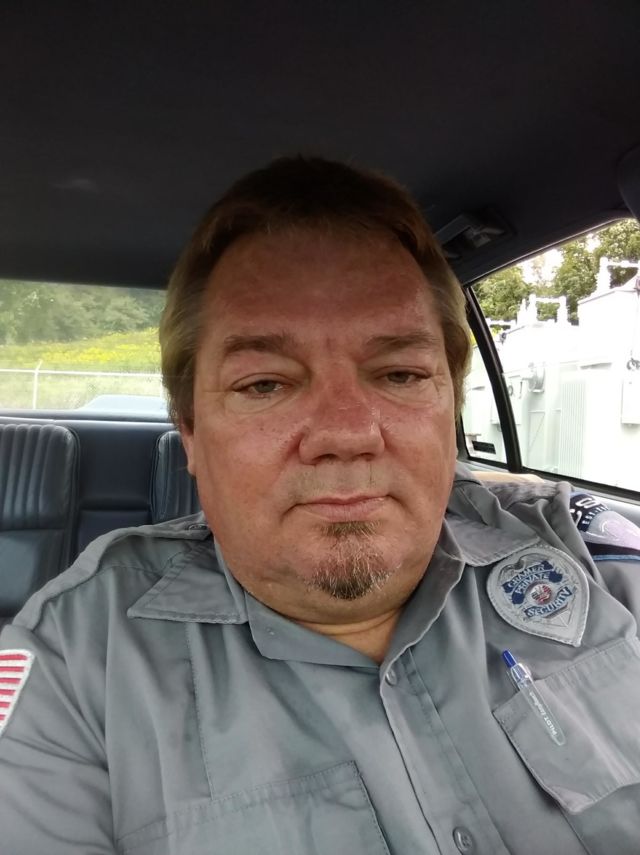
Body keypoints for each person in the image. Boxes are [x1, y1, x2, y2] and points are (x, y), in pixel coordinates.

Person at [1, 157, 639, 854]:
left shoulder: (590, 559)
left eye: (400, 373)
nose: (346, 433)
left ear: (450, 406)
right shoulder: (68, 663)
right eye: (265, 384)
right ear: (190, 433)